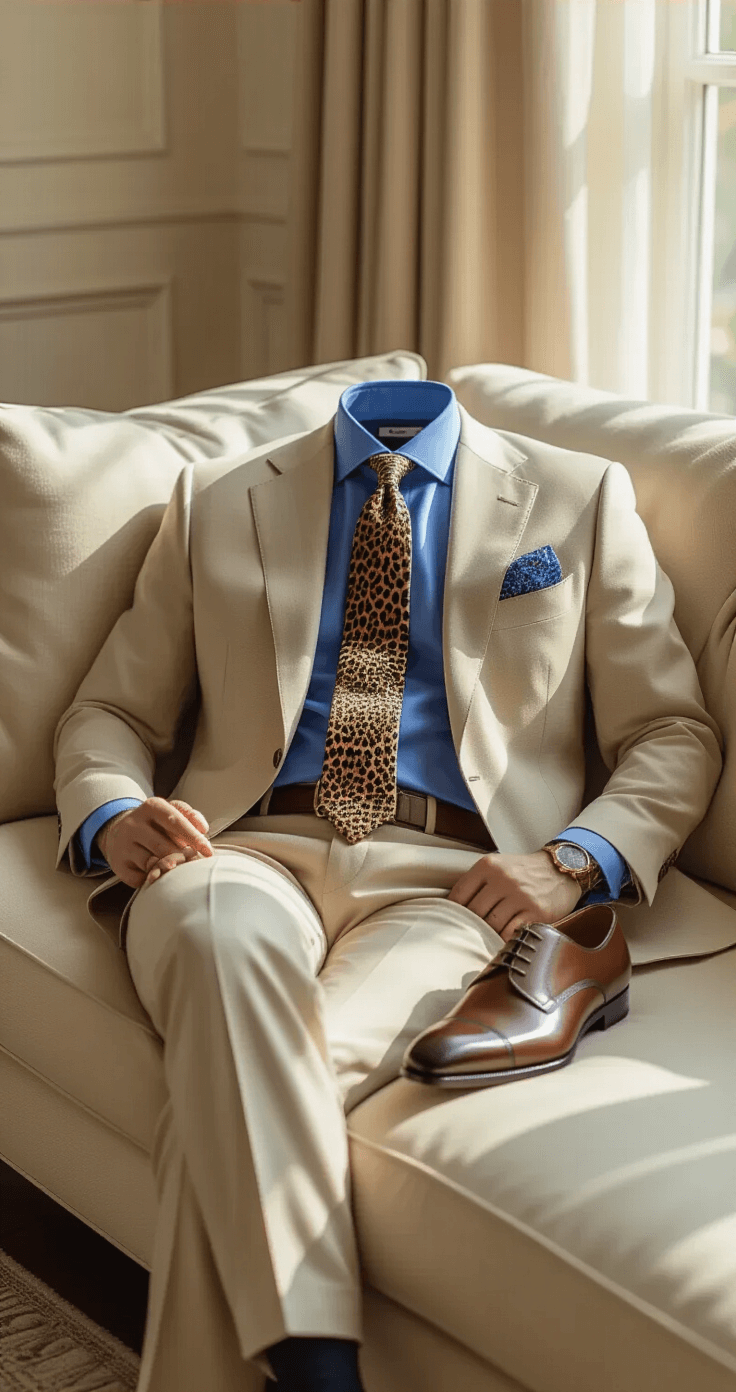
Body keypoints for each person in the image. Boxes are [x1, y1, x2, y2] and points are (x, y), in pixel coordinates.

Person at [54, 379, 722, 1392]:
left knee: (261, 1069)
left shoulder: (579, 496)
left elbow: (670, 730)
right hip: (237, 848)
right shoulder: (218, 496)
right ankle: (319, 1365)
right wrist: (111, 812)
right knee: (215, 950)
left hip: (458, 882)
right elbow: (111, 709)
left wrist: (572, 860)